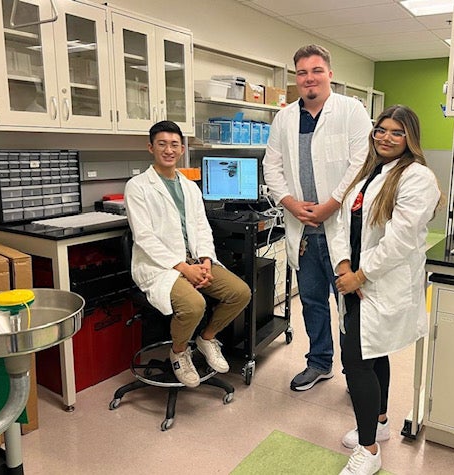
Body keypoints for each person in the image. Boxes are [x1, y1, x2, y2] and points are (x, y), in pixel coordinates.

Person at [331, 105, 440, 475]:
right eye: (381, 130)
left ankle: (369, 450)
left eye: (396, 132)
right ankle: (379, 423)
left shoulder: (417, 177)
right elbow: (341, 225)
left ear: (410, 137)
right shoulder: (367, 174)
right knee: (373, 354)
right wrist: (344, 265)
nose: (386, 137)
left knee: (356, 360)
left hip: (379, 283)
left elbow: (400, 241)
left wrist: (360, 276)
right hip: (355, 280)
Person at [263, 44, 373, 391]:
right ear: (297, 78)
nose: (309, 78)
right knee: (312, 300)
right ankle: (319, 362)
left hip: (341, 225)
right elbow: (272, 165)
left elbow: (361, 161)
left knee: (351, 304)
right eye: (302, 73)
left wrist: (332, 204)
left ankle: (357, 373)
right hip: (304, 227)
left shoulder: (351, 110)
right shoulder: (284, 118)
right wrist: (291, 204)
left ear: (329, 74)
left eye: (316, 70)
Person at [124, 120, 251, 387]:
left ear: (182, 149)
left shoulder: (190, 187)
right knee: (194, 305)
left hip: (194, 259)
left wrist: (204, 260)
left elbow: (201, 227)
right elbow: (144, 237)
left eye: (174, 145)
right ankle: (179, 353)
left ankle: (207, 338)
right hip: (160, 267)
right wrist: (185, 268)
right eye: (162, 144)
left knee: (240, 293)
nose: (168, 150)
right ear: (150, 148)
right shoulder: (137, 186)